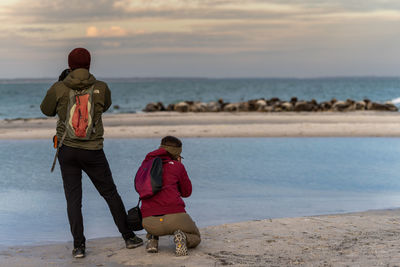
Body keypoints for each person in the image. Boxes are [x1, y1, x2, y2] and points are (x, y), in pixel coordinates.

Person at [40, 48, 143, 258]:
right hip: (93, 151)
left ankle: (79, 247)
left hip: (67, 150)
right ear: (89, 65)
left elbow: (46, 110)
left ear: (69, 65)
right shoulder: (101, 87)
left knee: (73, 200)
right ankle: (128, 237)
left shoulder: (59, 87)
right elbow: (104, 107)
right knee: (110, 193)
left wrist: (62, 86)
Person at [140, 136, 201, 256]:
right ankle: (183, 238)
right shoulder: (177, 166)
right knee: (196, 236)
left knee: (154, 205)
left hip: (148, 221)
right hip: (175, 219)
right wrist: (178, 166)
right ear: (178, 153)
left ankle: (152, 239)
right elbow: (187, 192)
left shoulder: (146, 164)